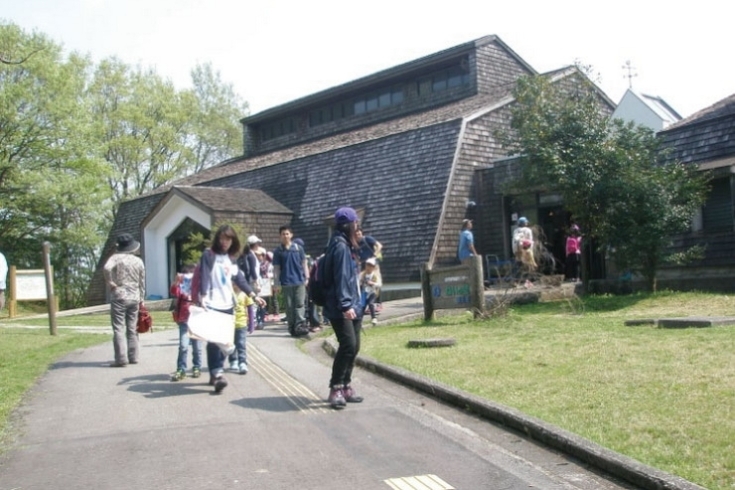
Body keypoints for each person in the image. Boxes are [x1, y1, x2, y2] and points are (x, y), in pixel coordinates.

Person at [197, 225, 265, 393]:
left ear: (233, 241)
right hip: (212, 303)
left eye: (228, 239)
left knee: (224, 341)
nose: (225, 242)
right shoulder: (209, 255)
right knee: (214, 340)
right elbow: (205, 274)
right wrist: (203, 295)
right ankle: (217, 373)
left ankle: (216, 372)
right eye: (222, 239)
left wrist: (253, 295)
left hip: (228, 304)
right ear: (217, 240)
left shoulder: (232, 259)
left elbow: (239, 279)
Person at [323, 207, 365, 409]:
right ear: (348, 225)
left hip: (353, 304)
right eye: (355, 222)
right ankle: (336, 387)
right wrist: (346, 305)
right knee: (348, 345)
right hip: (341, 306)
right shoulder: (339, 246)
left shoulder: (347, 245)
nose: (358, 225)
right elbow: (340, 278)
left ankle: (346, 385)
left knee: (354, 346)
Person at [103, 233, 146, 367]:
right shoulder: (138, 261)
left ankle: (121, 358)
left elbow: (106, 268)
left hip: (119, 295)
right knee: (132, 328)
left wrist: (110, 282)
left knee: (118, 328)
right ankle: (133, 356)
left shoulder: (115, 258)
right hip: (134, 296)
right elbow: (142, 281)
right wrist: (142, 298)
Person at [272, 226, 309, 337]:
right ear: (280, 236)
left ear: (291, 235)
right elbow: (276, 268)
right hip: (286, 282)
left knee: (300, 304)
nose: (285, 236)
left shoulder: (298, 248)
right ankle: (292, 326)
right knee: (289, 306)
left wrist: (307, 277)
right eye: (283, 234)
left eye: (287, 233)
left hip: (299, 281)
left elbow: (304, 263)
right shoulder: (278, 251)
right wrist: (276, 283)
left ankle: (300, 325)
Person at [170, 264, 202, 381]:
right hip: (184, 320)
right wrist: (177, 281)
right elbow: (174, 291)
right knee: (183, 346)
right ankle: (181, 369)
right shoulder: (181, 287)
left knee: (197, 347)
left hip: (197, 320)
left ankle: (196, 366)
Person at [228, 283, 255, 374]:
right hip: (230, 324)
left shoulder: (245, 294)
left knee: (241, 344)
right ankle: (233, 360)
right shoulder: (228, 293)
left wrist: (251, 325)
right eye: (234, 282)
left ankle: (242, 362)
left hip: (242, 323)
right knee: (231, 344)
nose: (236, 285)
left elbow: (250, 310)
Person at [359, 257, 382, 325]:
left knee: (371, 303)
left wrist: (373, 283)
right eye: (367, 265)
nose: (369, 267)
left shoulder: (375, 275)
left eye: (370, 266)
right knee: (362, 306)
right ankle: (359, 320)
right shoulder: (362, 274)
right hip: (364, 292)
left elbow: (379, 284)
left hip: (373, 292)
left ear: (373, 267)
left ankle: (373, 318)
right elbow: (358, 282)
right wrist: (361, 283)